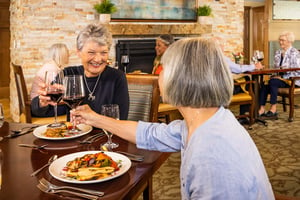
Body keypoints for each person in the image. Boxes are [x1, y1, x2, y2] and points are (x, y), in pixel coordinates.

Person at [73, 37, 275, 199]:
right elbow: (149, 134)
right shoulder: (205, 121)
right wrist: (95, 118)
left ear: (181, 78)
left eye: (163, 69)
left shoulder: (211, 155)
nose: (158, 76)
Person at [31, 24, 129, 120]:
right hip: (74, 134)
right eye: (91, 52)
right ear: (78, 52)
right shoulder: (68, 74)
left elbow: (121, 119)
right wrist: (42, 103)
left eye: (104, 53)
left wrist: (93, 118)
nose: (98, 59)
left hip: (105, 135)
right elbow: (42, 111)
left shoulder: (117, 77)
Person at [214, 37, 264, 124]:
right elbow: (238, 69)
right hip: (225, 89)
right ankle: (247, 114)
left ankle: (250, 113)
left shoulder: (206, 58)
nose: (223, 47)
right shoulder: (222, 58)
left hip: (214, 88)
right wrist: (254, 66)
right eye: (222, 45)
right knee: (249, 82)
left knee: (244, 81)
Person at [258, 31, 300, 118]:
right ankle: (261, 109)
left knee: (273, 82)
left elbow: (297, 70)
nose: (280, 42)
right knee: (264, 84)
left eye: (283, 40)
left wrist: (281, 76)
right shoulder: (278, 53)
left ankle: (273, 109)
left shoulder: (294, 53)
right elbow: (276, 68)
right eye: (279, 40)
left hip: (291, 80)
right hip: (280, 79)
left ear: (289, 41)